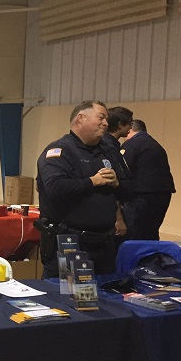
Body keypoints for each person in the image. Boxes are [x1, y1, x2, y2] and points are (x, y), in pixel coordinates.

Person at [36, 100, 127, 277]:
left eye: (107, 119)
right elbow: (55, 187)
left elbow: (129, 190)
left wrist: (117, 183)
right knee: (65, 300)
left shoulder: (109, 151)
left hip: (104, 243)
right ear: (81, 118)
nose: (106, 123)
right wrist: (92, 181)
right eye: (101, 117)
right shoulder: (59, 151)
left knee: (105, 299)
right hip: (70, 242)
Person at [121, 119, 175, 240]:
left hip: (141, 196)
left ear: (129, 130)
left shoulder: (131, 145)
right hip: (163, 195)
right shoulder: (156, 145)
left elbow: (123, 170)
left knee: (134, 233)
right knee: (151, 232)